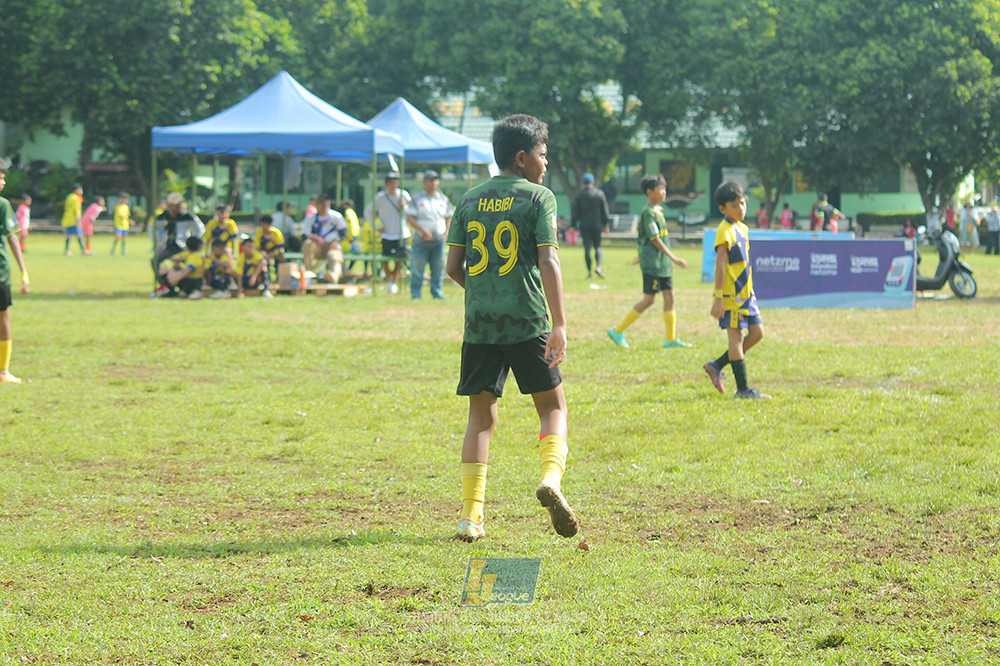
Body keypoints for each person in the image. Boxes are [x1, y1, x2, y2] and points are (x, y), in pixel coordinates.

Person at [445, 113, 578, 543]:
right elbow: (548, 260)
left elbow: (453, 267)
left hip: (479, 325)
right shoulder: (539, 198)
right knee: (553, 407)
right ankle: (551, 480)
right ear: (522, 158)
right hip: (527, 320)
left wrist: (486, 291)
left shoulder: (468, 200)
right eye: (542, 154)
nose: (546, 162)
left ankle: (470, 517)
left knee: (480, 417)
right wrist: (560, 323)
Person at [607, 173, 691, 349]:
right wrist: (674, 258)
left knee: (669, 297)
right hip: (654, 265)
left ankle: (670, 339)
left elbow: (647, 239)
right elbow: (655, 239)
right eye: (661, 189)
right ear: (650, 192)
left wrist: (642, 255)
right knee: (649, 299)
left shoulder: (658, 211)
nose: (664, 192)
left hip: (662, 264)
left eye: (665, 188)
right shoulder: (648, 213)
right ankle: (617, 330)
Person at [703, 180, 769, 400]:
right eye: (734, 205)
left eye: (742, 203)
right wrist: (718, 298)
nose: (740, 209)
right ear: (723, 209)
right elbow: (720, 265)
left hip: (746, 294)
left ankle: (717, 365)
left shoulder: (743, 228)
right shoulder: (724, 231)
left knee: (757, 334)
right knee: (737, 338)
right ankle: (742, 390)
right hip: (731, 296)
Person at [0, 158, 30, 383]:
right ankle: (3, 371)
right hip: (1, 272)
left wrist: (23, 272)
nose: (3, 182)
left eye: (3, 178)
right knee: (3, 317)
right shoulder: (3, 204)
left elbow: (12, 237)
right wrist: (23, 271)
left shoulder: (3, 204)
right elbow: (12, 238)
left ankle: (3, 371)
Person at [406, 170, 454, 300]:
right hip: (421, 240)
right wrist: (422, 230)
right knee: (417, 268)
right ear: (424, 182)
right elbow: (409, 217)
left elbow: (449, 217)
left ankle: (437, 293)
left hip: (438, 240)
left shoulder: (443, 199)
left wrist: (447, 231)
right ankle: (415, 294)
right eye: (430, 180)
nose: (433, 183)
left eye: (435, 180)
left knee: (438, 267)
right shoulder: (417, 198)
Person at [365, 173, 411, 294]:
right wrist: (376, 227)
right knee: (385, 259)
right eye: (391, 183)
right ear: (386, 184)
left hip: (402, 233)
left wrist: (404, 206)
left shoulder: (403, 195)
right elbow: (368, 212)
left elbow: (411, 212)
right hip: (387, 234)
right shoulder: (380, 197)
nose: (393, 185)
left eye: (395, 182)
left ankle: (393, 282)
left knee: (399, 259)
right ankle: (390, 279)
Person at [151, 192, 204, 288]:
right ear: (169, 205)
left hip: (183, 248)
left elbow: (200, 229)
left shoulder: (187, 216)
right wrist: (157, 244)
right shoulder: (162, 217)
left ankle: (185, 285)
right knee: (155, 260)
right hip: (167, 247)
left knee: (190, 264)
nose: (178, 207)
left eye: (179, 204)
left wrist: (191, 242)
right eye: (175, 205)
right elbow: (152, 230)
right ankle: (164, 284)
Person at [571, 172, 610, 278]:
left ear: (582, 183)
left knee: (587, 247)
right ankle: (599, 266)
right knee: (598, 246)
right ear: (593, 182)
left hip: (584, 225)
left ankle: (590, 272)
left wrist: (573, 225)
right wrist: (606, 224)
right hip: (597, 225)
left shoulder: (579, 196)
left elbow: (575, 212)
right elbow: (604, 210)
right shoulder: (599, 194)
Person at [302, 194, 347, 283]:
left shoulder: (336, 217)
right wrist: (314, 238)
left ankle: (333, 276)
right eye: (322, 203)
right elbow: (304, 235)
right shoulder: (311, 218)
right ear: (317, 205)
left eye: (326, 203)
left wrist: (334, 242)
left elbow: (343, 235)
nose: (324, 205)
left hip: (332, 246)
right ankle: (309, 273)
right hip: (317, 248)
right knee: (307, 244)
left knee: (335, 256)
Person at [62, 183, 86, 256]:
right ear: (76, 190)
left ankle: (66, 250)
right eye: (80, 190)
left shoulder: (69, 197)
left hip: (68, 219)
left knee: (69, 235)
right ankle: (83, 250)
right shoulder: (76, 198)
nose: (81, 191)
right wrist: (78, 221)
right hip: (74, 220)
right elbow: (76, 210)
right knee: (79, 235)